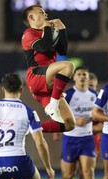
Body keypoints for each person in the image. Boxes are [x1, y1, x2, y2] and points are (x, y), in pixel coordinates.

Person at [21, 4, 75, 133]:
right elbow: (44, 47)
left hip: (49, 84)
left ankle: (30, 129)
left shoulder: (48, 32)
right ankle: (53, 105)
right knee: (69, 66)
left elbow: (62, 50)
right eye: (41, 12)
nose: (46, 15)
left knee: (69, 124)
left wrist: (62, 30)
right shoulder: (28, 33)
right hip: (36, 76)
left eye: (45, 12)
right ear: (31, 17)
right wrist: (46, 27)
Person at [57, 66, 100, 179]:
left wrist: (92, 119)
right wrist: (74, 120)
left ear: (88, 79)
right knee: (68, 175)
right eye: (79, 74)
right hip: (71, 138)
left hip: (87, 138)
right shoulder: (68, 95)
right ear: (74, 78)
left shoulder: (95, 95)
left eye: (84, 75)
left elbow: (101, 113)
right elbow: (58, 114)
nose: (82, 77)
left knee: (88, 172)